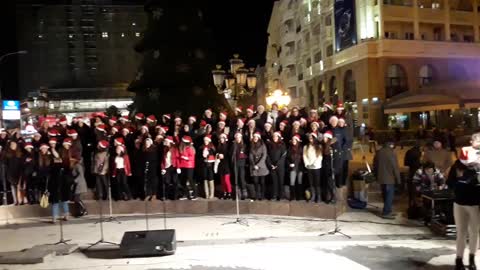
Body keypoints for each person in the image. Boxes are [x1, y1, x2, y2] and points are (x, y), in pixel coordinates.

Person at [373, 140, 401, 219]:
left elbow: (375, 165)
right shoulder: (391, 153)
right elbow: (395, 167)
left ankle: (388, 210)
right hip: (389, 178)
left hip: (381, 177)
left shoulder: (379, 152)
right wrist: (398, 179)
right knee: (389, 196)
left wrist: (376, 175)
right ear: (391, 145)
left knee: (385, 195)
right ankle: (386, 212)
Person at [303, 133, 323, 203]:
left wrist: (314, 164)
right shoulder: (306, 147)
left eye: (312, 138)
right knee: (311, 183)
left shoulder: (319, 146)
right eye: (309, 138)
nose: (310, 139)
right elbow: (304, 156)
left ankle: (318, 196)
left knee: (317, 183)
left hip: (316, 167)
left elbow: (320, 157)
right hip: (309, 167)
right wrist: (307, 164)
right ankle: (313, 196)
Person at [249, 132, 269, 201]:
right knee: (255, 182)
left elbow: (264, 156)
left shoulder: (263, 146)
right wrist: (254, 165)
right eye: (254, 137)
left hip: (262, 166)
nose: (255, 138)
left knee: (262, 182)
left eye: (256, 137)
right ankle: (257, 195)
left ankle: (262, 195)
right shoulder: (251, 145)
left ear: (259, 138)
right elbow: (250, 156)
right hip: (254, 166)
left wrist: (258, 165)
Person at [267, 131, 287, 201]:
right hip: (272, 166)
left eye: (276, 136)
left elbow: (283, 156)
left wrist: (277, 165)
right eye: (273, 136)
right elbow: (268, 156)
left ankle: (281, 196)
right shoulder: (270, 145)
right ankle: (274, 195)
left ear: (278, 137)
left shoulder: (282, 145)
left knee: (280, 181)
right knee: (274, 182)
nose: (274, 138)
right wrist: (270, 164)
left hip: (280, 167)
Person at [3, 141, 24, 205]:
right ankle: (15, 201)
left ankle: (21, 200)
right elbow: (5, 164)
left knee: (19, 186)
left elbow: (22, 164)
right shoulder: (7, 154)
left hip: (19, 172)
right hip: (10, 173)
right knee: (12, 186)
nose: (13, 145)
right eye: (11, 144)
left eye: (14, 144)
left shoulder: (20, 154)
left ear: (16, 145)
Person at [231, 132, 248, 200]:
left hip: (242, 163)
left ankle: (244, 191)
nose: (238, 139)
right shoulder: (233, 145)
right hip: (235, 164)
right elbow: (231, 154)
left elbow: (247, 153)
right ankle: (237, 193)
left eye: (239, 138)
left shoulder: (244, 145)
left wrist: (244, 155)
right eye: (237, 138)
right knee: (236, 178)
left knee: (242, 177)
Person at [178, 136, 196, 200]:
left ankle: (194, 194)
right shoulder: (181, 148)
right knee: (183, 180)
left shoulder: (190, 148)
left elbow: (192, 157)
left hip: (189, 166)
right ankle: (184, 194)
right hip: (183, 165)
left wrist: (187, 158)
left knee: (190, 179)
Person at [287, 134, 304, 201]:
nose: (294, 141)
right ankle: (292, 196)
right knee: (292, 182)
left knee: (299, 182)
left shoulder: (301, 148)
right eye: (293, 140)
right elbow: (287, 158)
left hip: (300, 167)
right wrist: (289, 164)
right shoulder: (289, 148)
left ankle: (299, 196)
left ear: (297, 141)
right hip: (292, 168)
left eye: (295, 140)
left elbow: (303, 158)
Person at [199, 135, 216, 199]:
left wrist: (208, 154)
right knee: (205, 178)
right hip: (204, 164)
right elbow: (199, 156)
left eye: (206, 140)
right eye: (204, 140)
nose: (205, 141)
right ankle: (206, 193)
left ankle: (211, 194)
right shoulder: (202, 147)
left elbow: (214, 154)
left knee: (210, 178)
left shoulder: (212, 147)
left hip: (210, 164)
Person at [216, 133, 231, 199]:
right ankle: (224, 192)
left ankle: (229, 192)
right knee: (222, 180)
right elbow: (216, 153)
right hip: (220, 164)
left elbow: (229, 155)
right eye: (220, 138)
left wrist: (224, 156)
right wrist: (218, 156)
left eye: (223, 138)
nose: (221, 139)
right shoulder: (218, 146)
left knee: (226, 180)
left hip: (227, 165)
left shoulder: (228, 146)